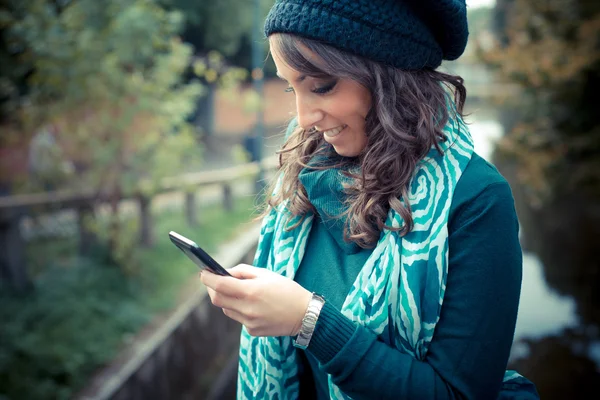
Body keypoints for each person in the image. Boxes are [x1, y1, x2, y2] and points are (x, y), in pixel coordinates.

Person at [200, 0, 540, 398]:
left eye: (321, 86)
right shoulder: (303, 177)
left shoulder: (477, 200)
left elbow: (458, 393)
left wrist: (309, 322)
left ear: (387, 76)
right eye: (290, 86)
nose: (304, 116)